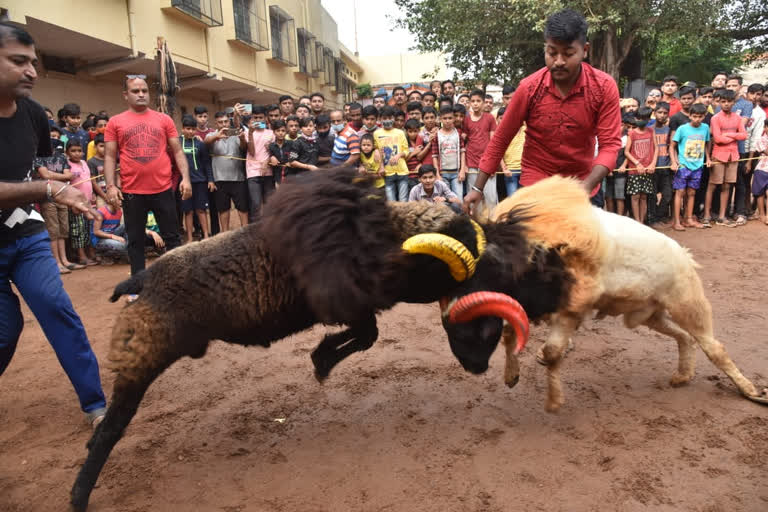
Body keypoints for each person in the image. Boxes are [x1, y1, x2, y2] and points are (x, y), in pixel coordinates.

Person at [0, 22, 106, 427]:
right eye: (18, 61)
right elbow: (40, 184)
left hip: (27, 236)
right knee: (5, 331)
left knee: (57, 308)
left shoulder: (31, 114)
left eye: (34, 63)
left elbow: (37, 169)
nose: (32, 72)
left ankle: (96, 405)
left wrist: (70, 190)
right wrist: (48, 190)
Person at [466, 9, 621, 213]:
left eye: (568, 54)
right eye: (552, 52)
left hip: (584, 186)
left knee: (586, 244)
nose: (558, 61)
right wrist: (477, 188)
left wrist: (584, 188)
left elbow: (610, 147)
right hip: (534, 187)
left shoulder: (603, 87)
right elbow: (501, 139)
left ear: (585, 50)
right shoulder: (528, 88)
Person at [104, 75, 191, 277]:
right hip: (132, 192)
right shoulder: (115, 122)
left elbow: (177, 151)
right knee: (135, 241)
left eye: (144, 90)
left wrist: (186, 179)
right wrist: (110, 186)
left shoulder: (164, 119)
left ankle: (178, 280)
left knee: (172, 238)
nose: (141, 94)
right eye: (136, 91)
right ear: (126, 95)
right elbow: (109, 156)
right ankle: (138, 285)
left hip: (163, 189)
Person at [35, 133, 81, 272]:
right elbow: (45, 175)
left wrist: (53, 175)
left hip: (63, 196)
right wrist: (61, 176)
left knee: (63, 230)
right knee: (53, 230)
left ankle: (65, 260)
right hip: (47, 197)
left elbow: (69, 175)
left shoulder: (61, 157)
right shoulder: (39, 157)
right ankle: (56, 263)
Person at [706, 89, 746, 227]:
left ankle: (722, 216)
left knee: (727, 186)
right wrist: (734, 135)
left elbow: (744, 135)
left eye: (729, 101)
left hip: (733, 155)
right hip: (718, 155)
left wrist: (728, 135)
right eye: (723, 101)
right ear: (719, 102)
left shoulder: (738, 118)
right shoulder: (715, 118)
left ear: (734, 102)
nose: (726, 104)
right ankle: (706, 215)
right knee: (712, 185)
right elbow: (717, 139)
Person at [670, 103, 711, 231]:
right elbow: (672, 146)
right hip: (683, 165)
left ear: (704, 116)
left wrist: (708, 158)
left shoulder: (705, 128)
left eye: (700, 116)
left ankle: (688, 219)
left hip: (697, 165)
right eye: (694, 116)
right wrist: (674, 162)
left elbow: (706, 143)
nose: (697, 119)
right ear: (690, 115)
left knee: (692, 192)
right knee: (680, 192)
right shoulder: (682, 129)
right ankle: (677, 221)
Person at [207, 110, 248, 230]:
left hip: (238, 178)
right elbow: (205, 142)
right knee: (223, 209)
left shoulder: (235, 133)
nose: (224, 124)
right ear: (216, 124)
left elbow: (244, 148)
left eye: (226, 121)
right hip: (219, 179)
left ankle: (245, 232)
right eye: (220, 122)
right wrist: (217, 136)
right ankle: (225, 234)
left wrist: (242, 139)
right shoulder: (212, 135)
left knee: (242, 208)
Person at [91, 201, 165, 262]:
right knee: (123, 246)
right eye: (118, 200)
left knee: (127, 225)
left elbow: (118, 228)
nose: (121, 202)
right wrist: (113, 236)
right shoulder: (101, 211)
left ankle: (131, 253)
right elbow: (96, 232)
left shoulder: (119, 211)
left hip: (112, 235)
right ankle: (103, 254)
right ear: (111, 200)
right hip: (100, 240)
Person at [179, 115, 214, 241]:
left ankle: (205, 236)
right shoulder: (177, 143)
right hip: (183, 183)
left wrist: (210, 180)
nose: (190, 131)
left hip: (200, 181)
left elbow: (206, 163)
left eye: (193, 129)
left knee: (201, 210)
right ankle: (189, 238)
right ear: (182, 129)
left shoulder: (200, 144)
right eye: (188, 128)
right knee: (188, 211)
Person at [463, 89, 498, 209]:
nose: (475, 103)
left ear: (483, 103)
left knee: (491, 198)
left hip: (487, 164)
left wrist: (493, 163)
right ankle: (476, 225)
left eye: (478, 101)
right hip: (472, 163)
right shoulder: (466, 120)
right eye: (473, 101)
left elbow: (494, 142)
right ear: (470, 103)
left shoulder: (490, 118)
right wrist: (465, 165)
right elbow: (465, 141)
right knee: (473, 199)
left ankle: (493, 224)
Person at [624, 107, 657, 224]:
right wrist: (637, 163)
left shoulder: (651, 131)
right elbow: (626, 151)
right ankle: (637, 222)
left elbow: (656, 148)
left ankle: (642, 222)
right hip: (634, 170)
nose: (641, 120)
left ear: (648, 119)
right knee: (635, 197)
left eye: (644, 118)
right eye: (639, 118)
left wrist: (653, 163)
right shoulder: (632, 133)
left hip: (648, 170)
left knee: (644, 197)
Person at [374, 105, 410, 201]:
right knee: (391, 202)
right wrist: (381, 167)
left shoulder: (400, 133)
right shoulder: (376, 134)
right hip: (387, 173)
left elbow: (406, 150)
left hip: (402, 171)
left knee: (403, 200)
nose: (387, 120)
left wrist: (399, 155)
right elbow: (376, 151)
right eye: (384, 118)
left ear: (394, 118)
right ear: (380, 119)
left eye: (390, 118)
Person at [245, 105, 274, 218]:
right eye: (255, 118)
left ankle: (269, 231)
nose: (258, 120)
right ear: (252, 118)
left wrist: (267, 162)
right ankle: (255, 232)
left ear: (265, 118)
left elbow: (275, 153)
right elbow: (251, 152)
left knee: (269, 204)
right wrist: (251, 134)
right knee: (256, 205)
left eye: (260, 117)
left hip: (268, 173)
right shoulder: (248, 132)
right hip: (252, 173)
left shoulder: (271, 133)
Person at [432, 106, 466, 198]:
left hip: (456, 173)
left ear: (454, 119)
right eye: (445, 118)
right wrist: (437, 174)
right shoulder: (437, 135)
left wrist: (462, 170)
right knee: (445, 200)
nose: (447, 121)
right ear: (440, 119)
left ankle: (460, 213)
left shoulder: (457, 133)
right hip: (443, 173)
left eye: (450, 118)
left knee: (458, 199)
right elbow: (434, 156)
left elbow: (463, 152)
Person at [647, 102, 672, 226]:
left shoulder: (669, 130)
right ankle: (652, 219)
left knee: (667, 194)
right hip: (653, 167)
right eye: (659, 112)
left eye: (665, 113)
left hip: (666, 166)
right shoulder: (649, 130)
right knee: (652, 194)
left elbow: (672, 148)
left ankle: (659, 215)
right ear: (654, 113)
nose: (662, 115)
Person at [605, 113, 633, 216]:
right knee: (608, 197)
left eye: (621, 125)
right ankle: (610, 217)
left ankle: (620, 218)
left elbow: (628, 154)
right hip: (608, 172)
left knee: (620, 197)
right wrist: (608, 168)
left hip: (621, 172)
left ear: (624, 126)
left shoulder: (627, 138)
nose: (618, 127)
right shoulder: (608, 137)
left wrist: (623, 166)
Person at [497, 106, 524, 197]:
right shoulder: (504, 132)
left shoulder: (526, 130)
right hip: (510, 171)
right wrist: (504, 168)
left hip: (524, 170)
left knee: (524, 201)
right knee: (512, 200)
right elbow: (498, 152)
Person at [751, 120, 768, 224]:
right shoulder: (761, 140)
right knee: (760, 192)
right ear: (765, 127)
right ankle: (761, 214)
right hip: (762, 169)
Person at [405, 118, 428, 190]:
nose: (413, 134)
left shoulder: (422, 142)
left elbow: (426, 157)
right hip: (408, 175)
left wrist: (421, 164)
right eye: (410, 131)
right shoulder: (405, 143)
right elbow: (402, 160)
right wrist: (413, 153)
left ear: (419, 130)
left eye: (415, 131)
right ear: (406, 131)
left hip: (420, 176)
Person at [268, 120, 293, 185]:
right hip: (277, 177)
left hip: (291, 175)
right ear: (274, 132)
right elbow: (269, 157)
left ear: (286, 131)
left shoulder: (291, 143)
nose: (280, 133)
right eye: (278, 131)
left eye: (283, 131)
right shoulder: (271, 146)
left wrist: (291, 161)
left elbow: (296, 154)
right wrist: (271, 157)